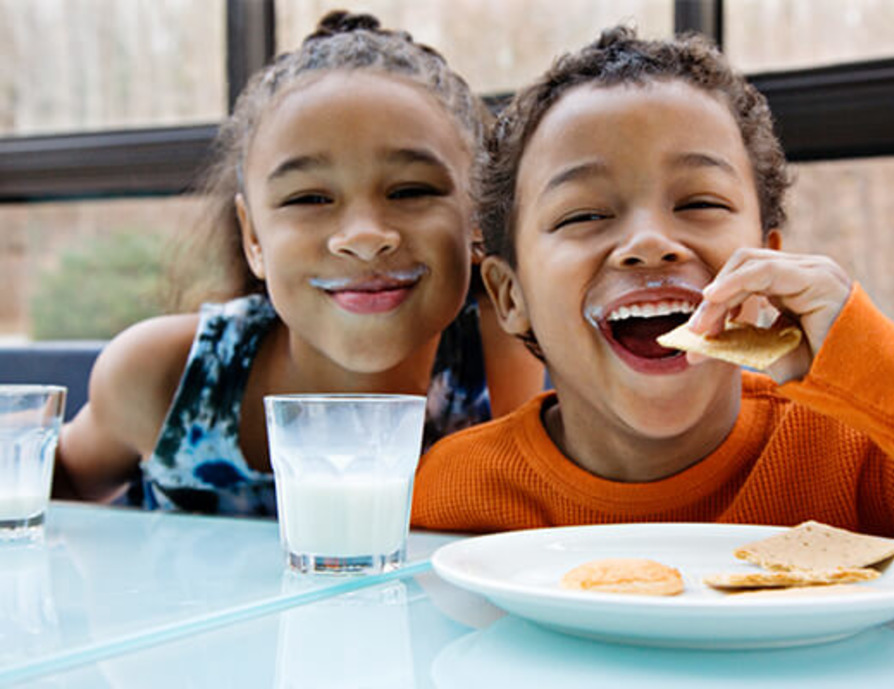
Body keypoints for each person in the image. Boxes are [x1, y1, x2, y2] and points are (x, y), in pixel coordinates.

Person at [411, 26, 894, 580]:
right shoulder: (455, 490)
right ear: (510, 295)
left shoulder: (867, 460)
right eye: (585, 213)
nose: (650, 243)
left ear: (768, 260)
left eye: (700, 203)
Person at [54, 11, 543, 516]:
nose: (364, 237)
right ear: (253, 238)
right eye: (309, 198)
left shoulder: (503, 346)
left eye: (412, 190)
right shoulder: (165, 376)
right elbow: (51, 483)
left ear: (478, 218)